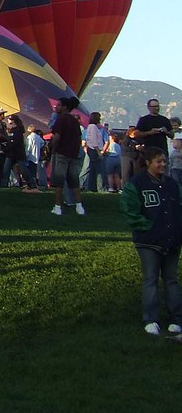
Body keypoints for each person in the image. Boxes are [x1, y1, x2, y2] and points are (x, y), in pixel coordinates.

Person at [120, 148, 182, 336]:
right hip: (149, 241)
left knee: (171, 279)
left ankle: (176, 318)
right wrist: (148, 227)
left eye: (164, 161)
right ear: (148, 162)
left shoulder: (172, 184)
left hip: (172, 239)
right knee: (151, 279)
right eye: (158, 161)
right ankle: (150, 319)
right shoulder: (136, 184)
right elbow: (130, 211)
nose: (163, 165)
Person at [49, 96, 85, 216]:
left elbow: (57, 137)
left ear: (64, 107)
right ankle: (79, 207)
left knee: (58, 181)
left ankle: (58, 206)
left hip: (61, 153)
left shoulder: (61, 120)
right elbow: (79, 138)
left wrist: (53, 149)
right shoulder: (74, 121)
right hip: (73, 154)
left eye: (59, 104)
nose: (56, 107)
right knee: (74, 181)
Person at [83, 112, 108, 192]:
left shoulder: (90, 127)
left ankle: (92, 187)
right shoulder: (93, 127)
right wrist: (99, 152)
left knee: (93, 169)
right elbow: (94, 140)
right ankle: (101, 188)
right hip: (94, 150)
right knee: (99, 170)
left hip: (91, 149)